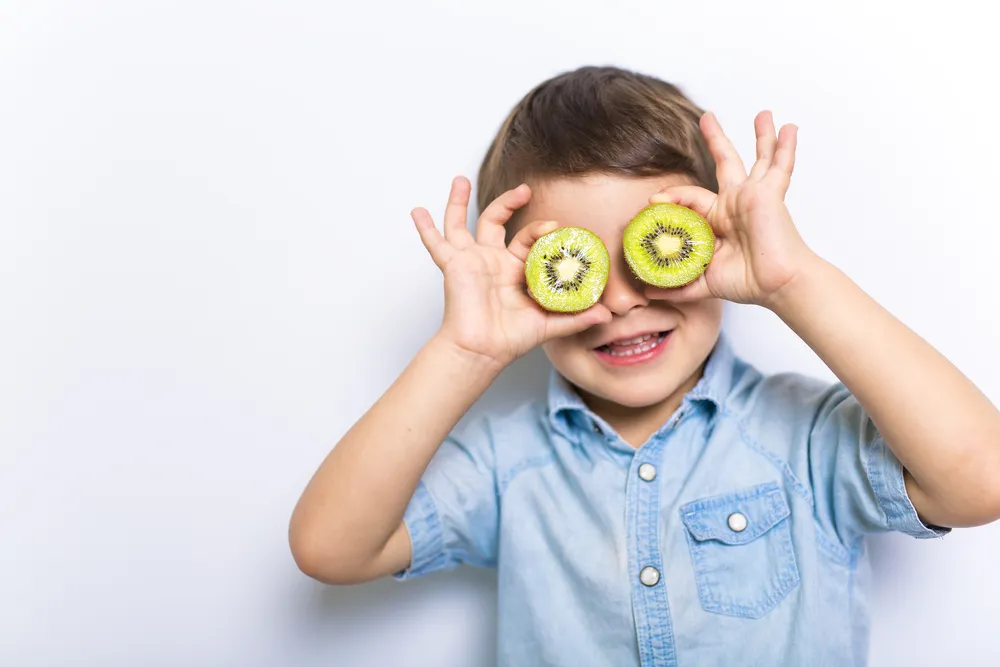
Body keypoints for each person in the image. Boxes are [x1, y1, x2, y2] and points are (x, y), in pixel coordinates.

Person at [288, 66, 1000, 666]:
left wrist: (794, 282)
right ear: (522, 273)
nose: (622, 301)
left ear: (711, 241)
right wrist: (464, 351)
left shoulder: (805, 439)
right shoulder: (506, 462)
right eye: (573, 266)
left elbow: (980, 480)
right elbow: (330, 548)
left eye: (651, 250)